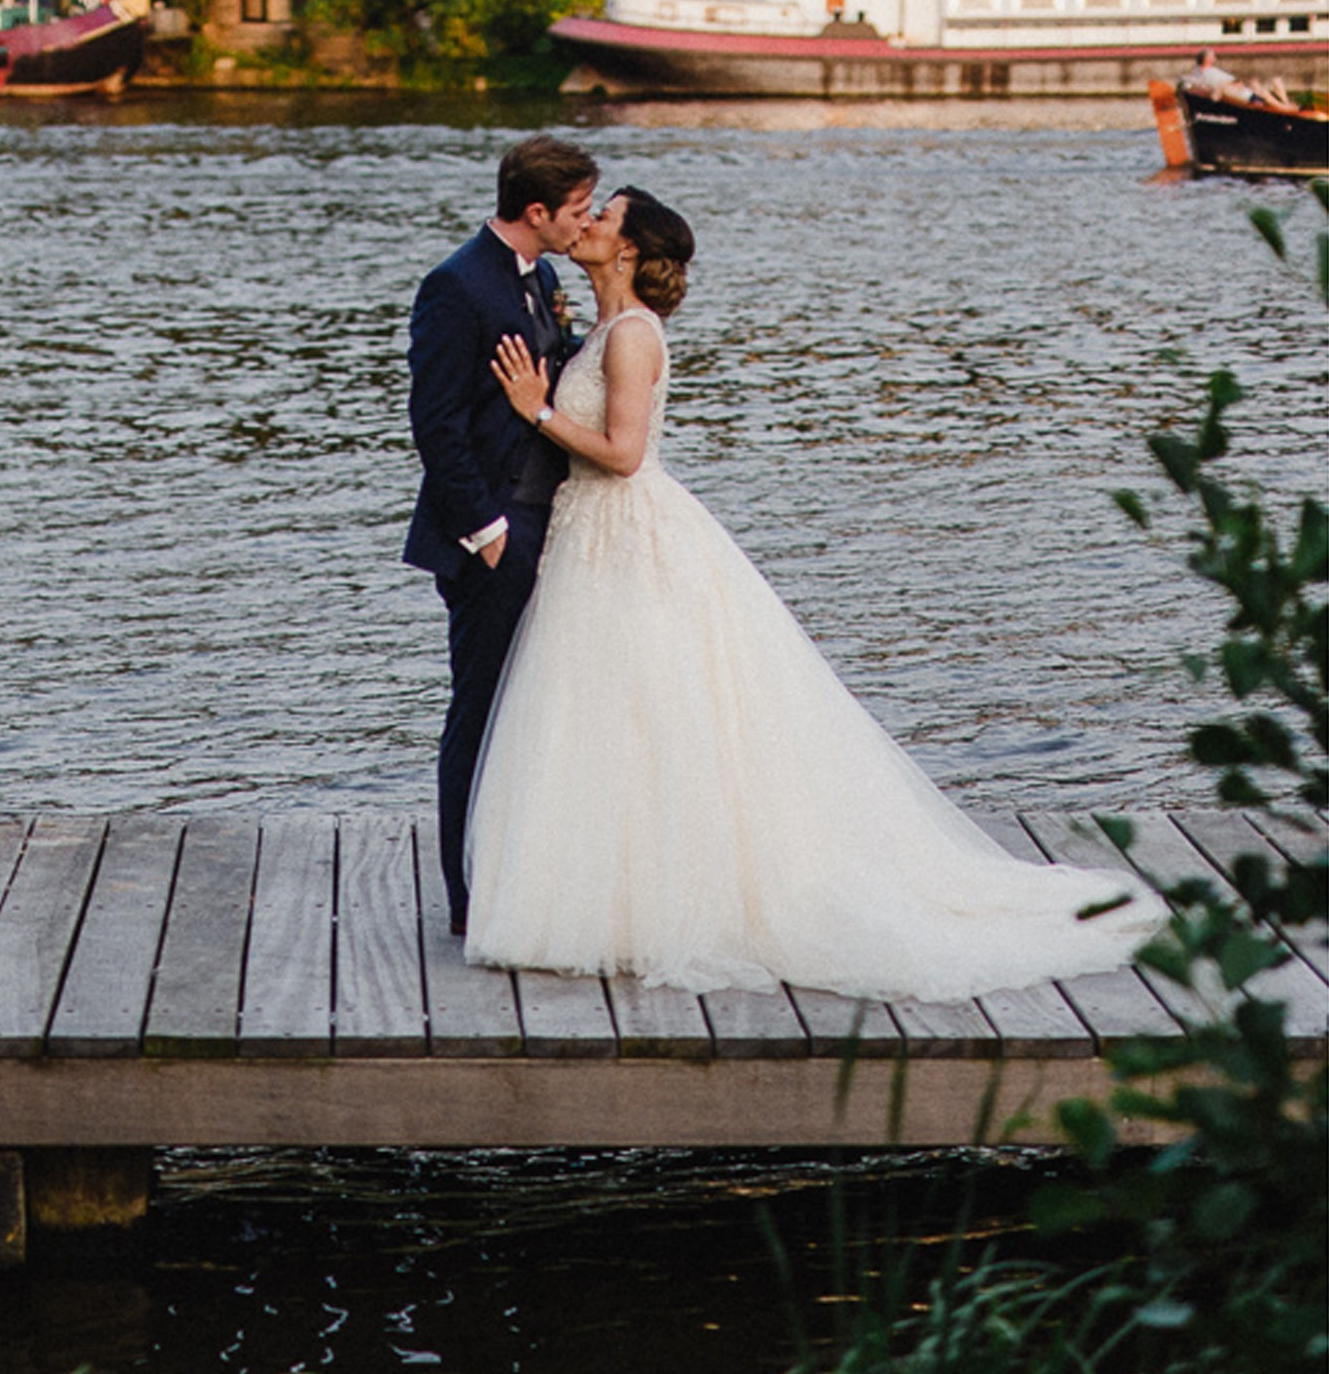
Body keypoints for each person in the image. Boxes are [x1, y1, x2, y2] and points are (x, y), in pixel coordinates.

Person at [462, 189, 1165, 1000]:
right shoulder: (606, 328)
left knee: (648, 711)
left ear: (627, 250)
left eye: (604, 217)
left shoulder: (632, 338)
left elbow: (622, 455)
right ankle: (609, 896)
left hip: (625, 528)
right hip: (593, 537)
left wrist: (537, 408)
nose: (584, 223)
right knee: (610, 715)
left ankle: (649, 901)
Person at [405, 133, 599, 934]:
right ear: (535, 211)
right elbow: (435, 422)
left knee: (531, 709)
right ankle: (466, 900)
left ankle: (519, 873)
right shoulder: (454, 287)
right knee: (478, 711)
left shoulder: (543, 274)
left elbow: (554, 370)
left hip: (545, 519)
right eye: (578, 211)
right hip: (493, 531)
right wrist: (485, 531)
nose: (583, 225)